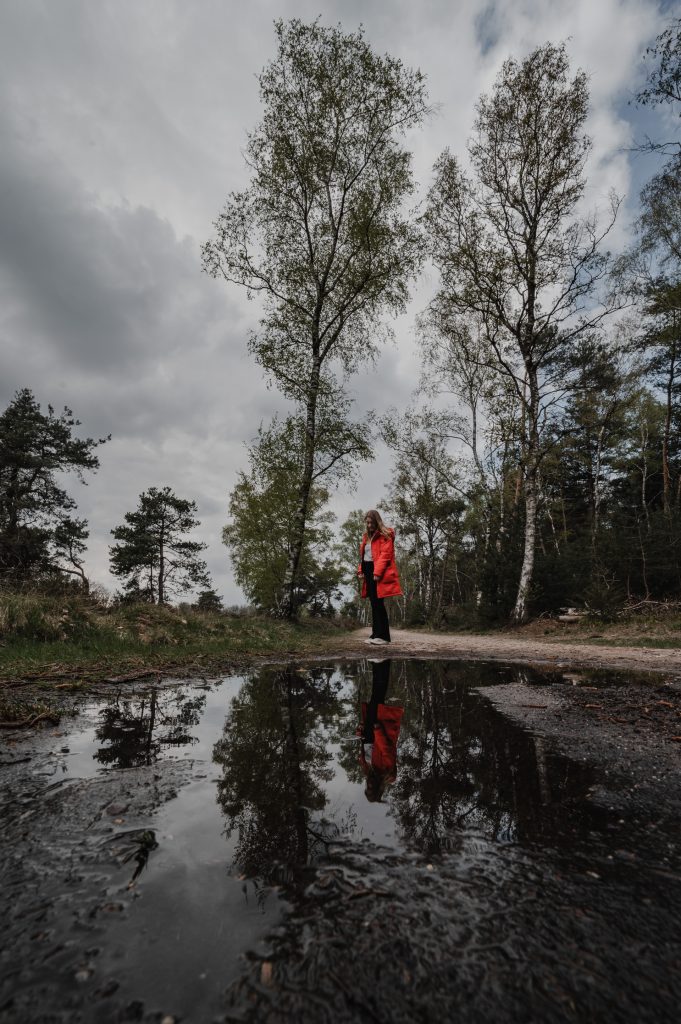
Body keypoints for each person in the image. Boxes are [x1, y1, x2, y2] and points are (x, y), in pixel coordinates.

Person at [357, 659, 403, 803]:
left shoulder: (367, 771)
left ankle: (379, 664)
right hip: (378, 730)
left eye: (367, 788)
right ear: (378, 789)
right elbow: (386, 749)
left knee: (376, 694)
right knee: (378, 693)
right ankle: (382, 663)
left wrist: (360, 732)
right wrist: (377, 729)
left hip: (368, 734)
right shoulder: (386, 770)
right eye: (371, 789)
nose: (369, 785)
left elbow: (364, 749)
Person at [357, 509, 402, 645]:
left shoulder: (385, 535)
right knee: (373, 603)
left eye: (371, 522)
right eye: (367, 523)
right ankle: (375, 634)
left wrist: (377, 573)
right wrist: (361, 570)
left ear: (377, 521)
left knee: (378, 603)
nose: (369, 525)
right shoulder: (366, 537)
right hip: (368, 570)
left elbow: (385, 555)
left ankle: (384, 636)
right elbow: (363, 556)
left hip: (377, 571)